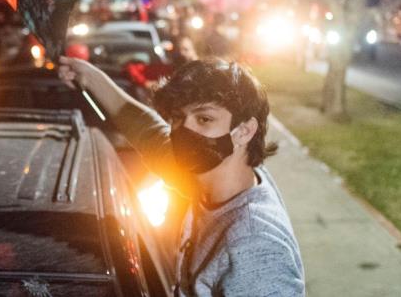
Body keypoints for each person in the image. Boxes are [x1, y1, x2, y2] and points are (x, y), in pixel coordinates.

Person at [60, 56, 304, 297]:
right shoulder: (211, 176)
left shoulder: (254, 245)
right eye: (178, 118)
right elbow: (147, 131)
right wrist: (89, 77)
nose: (185, 132)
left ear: (245, 131)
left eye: (204, 119)